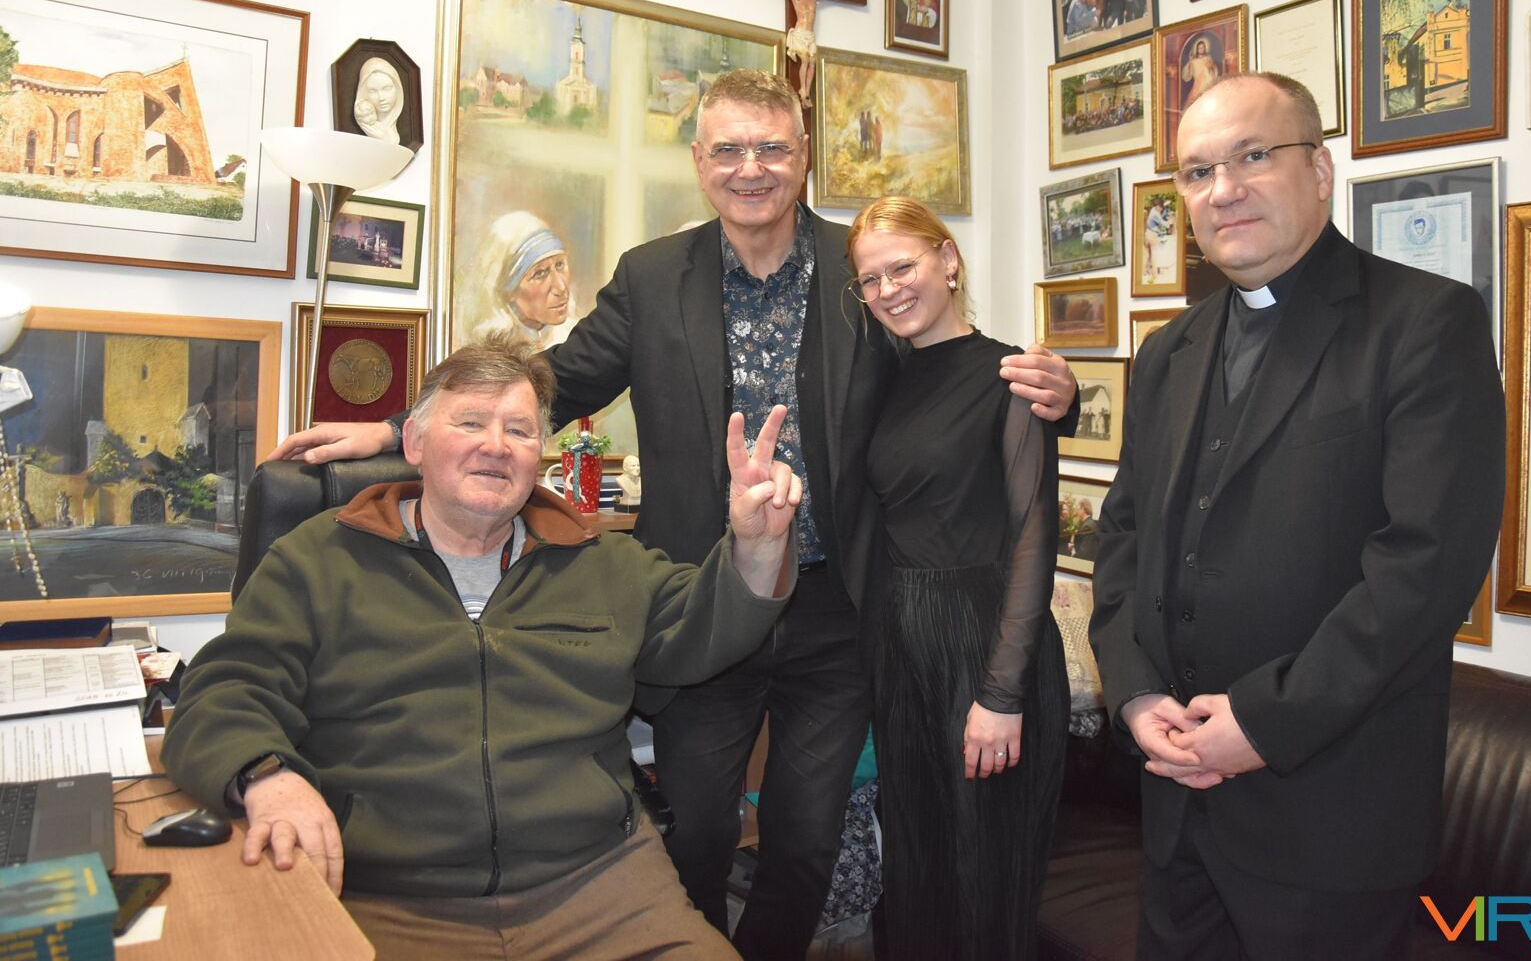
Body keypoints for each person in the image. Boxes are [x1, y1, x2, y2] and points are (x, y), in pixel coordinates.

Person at [264, 69, 1077, 961]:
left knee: (807, 843)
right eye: (728, 149)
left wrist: (1055, 397)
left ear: (804, 156)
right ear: (698, 160)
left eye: (770, 147)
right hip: (703, 603)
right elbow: (558, 380)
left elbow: (945, 379)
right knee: (693, 832)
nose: (750, 168)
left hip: (837, 615)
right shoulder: (652, 278)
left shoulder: (858, 271)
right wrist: (397, 429)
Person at [162, 335, 806, 960]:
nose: (496, 446)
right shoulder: (317, 561)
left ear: (539, 456)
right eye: (470, 422)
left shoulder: (602, 562)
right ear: (414, 443)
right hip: (386, 898)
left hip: (601, 886)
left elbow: (704, 625)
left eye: (519, 430)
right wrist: (267, 778)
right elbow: (224, 688)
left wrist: (758, 544)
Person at [1089, 73, 1504, 958]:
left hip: (1329, 821)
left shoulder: (1426, 323)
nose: (1223, 189)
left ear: (1319, 170)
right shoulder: (1167, 352)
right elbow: (1122, 536)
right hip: (1174, 809)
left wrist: (1264, 723)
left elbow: (1424, 568)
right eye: (1197, 172)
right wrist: (1134, 692)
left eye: (1252, 156)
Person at [845, 196, 1067, 960]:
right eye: (869, 280)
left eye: (901, 267)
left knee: (987, 885)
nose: (888, 290)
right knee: (916, 876)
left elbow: (1035, 536)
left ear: (948, 260)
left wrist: (1002, 694)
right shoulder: (884, 378)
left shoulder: (1012, 376)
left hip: (987, 644)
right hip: (903, 649)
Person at [461, 210, 578, 348]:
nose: (561, 287)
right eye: (540, 273)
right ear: (508, 291)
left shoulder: (576, 340)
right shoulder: (491, 350)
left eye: (559, 265)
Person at [749, 0, 853, 107]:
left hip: (810, 35)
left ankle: (806, 92)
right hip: (800, 33)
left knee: (812, 62)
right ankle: (802, 89)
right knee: (804, 60)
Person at [354, 56, 404, 144]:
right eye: (372, 91)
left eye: (387, 88)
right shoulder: (368, 123)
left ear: (397, 88)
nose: (381, 98)